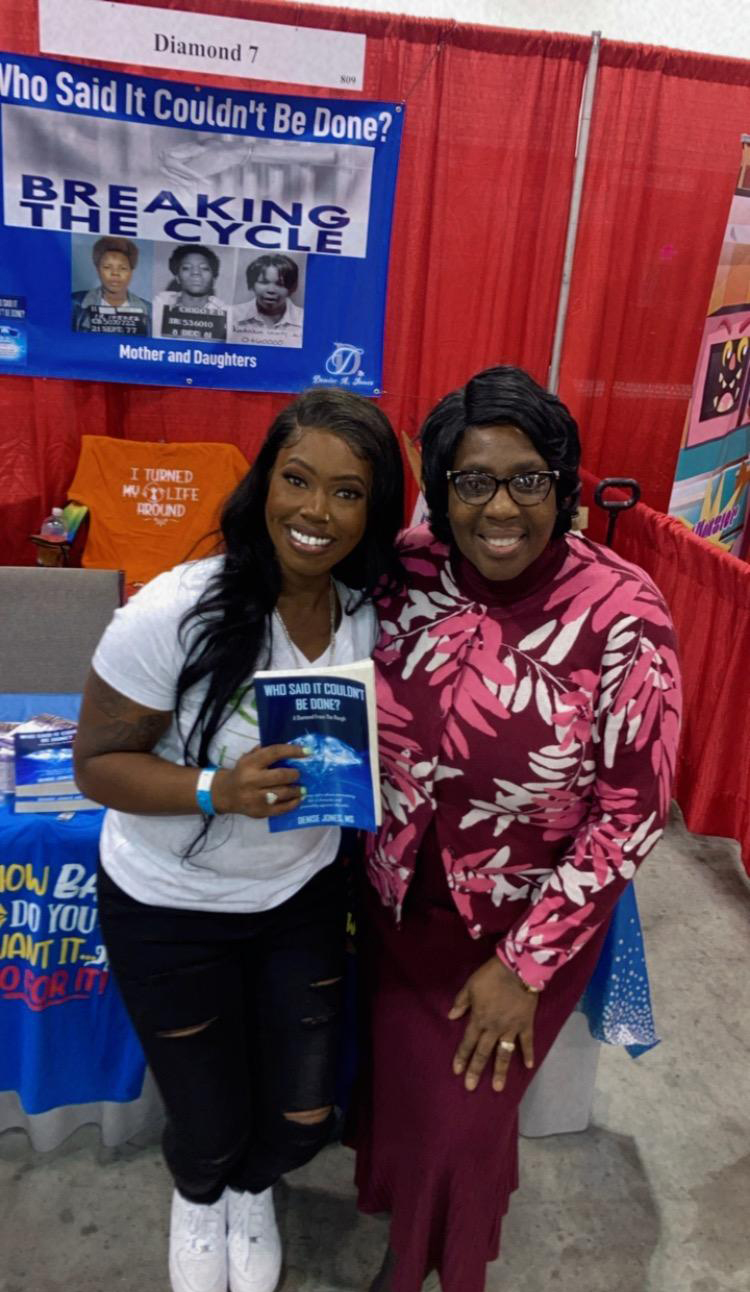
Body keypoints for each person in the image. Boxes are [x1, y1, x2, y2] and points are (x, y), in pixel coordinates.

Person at [353, 366, 682, 1292]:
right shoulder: (403, 571)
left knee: (460, 1119)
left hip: (521, 919)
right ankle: (405, 1228)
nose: (500, 507)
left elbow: (632, 813)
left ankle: (424, 1266)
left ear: (563, 485)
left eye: (527, 479)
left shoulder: (624, 613)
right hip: (394, 902)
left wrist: (524, 967)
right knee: (401, 1095)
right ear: (440, 489)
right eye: (473, 481)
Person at [73, 388, 404, 1292]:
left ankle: (254, 1188)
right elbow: (95, 766)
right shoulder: (177, 610)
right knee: (208, 1120)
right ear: (264, 483)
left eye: (347, 492)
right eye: (297, 480)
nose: (316, 511)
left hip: (300, 896)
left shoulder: (368, 614)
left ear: (372, 511)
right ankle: (202, 1195)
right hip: (167, 906)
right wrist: (216, 789)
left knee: (301, 1120)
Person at [71, 236, 151, 335]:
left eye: (123, 268)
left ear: (131, 271)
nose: (115, 273)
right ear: (98, 270)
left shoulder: (149, 310)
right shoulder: (74, 304)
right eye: (107, 267)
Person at [153, 244, 229, 340]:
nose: (195, 273)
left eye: (204, 268)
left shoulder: (225, 313)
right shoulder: (159, 305)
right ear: (177, 277)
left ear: (213, 278)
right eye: (186, 268)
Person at [229, 254, 304, 348]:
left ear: (291, 288)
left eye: (280, 284)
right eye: (264, 282)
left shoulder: (304, 319)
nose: (271, 290)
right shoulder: (231, 315)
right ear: (252, 284)